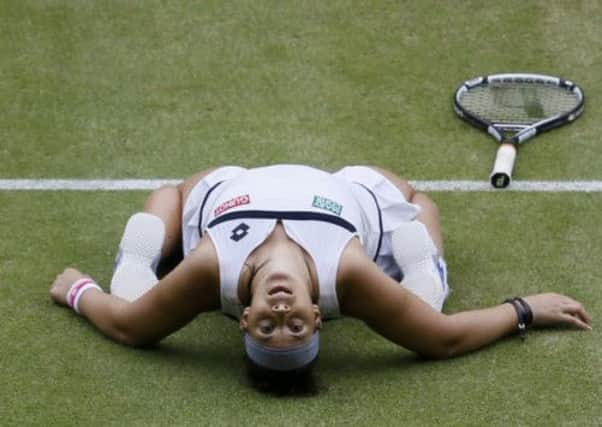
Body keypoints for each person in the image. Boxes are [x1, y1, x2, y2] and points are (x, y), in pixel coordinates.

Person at [50, 164, 592, 394]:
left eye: (267, 329)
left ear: (243, 319)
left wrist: (78, 292)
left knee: (155, 223)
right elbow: (439, 338)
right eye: (295, 329)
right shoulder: (348, 273)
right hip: (351, 196)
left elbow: (130, 328)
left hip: (234, 187)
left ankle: (135, 258)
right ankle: (430, 270)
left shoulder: (213, 267)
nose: (281, 315)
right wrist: (523, 310)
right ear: (318, 320)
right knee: (419, 247)